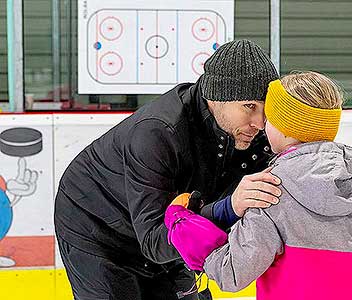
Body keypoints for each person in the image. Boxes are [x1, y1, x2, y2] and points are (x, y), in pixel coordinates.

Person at [54, 39, 283, 300]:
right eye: (249, 107)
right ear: (216, 97)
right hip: (97, 228)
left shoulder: (253, 135)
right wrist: (228, 209)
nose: (259, 123)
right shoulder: (158, 133)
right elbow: (153, 242)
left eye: (266, 109)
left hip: (171, 225)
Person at [165, 71, 352, 300]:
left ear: (284, 126)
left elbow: (232, 273)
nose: (261, 125)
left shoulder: (271, 189)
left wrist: (183, 224)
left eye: (268, 119)